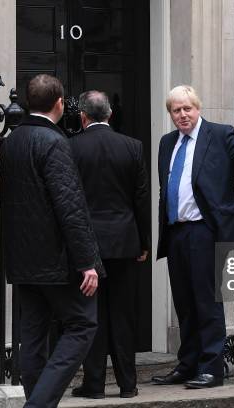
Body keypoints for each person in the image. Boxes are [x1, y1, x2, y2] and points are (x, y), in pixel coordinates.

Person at [152, 85, 234, 389]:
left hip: (205, 230)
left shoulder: (221, 135)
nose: (182, 115)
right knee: (184, 303)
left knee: (206, 302)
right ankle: (188, 365)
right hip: (177, 230)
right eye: (176, 110)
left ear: (198, 108)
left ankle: (212, 369)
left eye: (187, 109)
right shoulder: (167, 142)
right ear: (170, 114)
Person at [0, 74, 104, 408]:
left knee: (32, 339)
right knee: (82, 325)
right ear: (60, 103)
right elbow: (70, 207)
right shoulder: (54, 143)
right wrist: (87, 262)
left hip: (23, 259)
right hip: (56, 261)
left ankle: (37, 400)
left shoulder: (12, 141)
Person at [69, 90, 150, 399]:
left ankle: (94, 384)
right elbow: (140, 200)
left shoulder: (72, 146)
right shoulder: (132, 147)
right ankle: (128, 384)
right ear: (110, 115)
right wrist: (143, 241)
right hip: (125, 242)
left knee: (92, 316)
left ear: (83, 116)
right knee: (123, 316)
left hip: (87, 245)